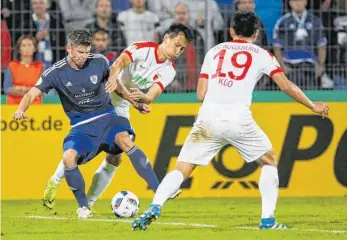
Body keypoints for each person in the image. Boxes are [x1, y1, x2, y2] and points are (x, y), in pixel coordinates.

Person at [132, 11, 329, 231]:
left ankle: (155, 205)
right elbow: (286, 86)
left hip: (208, 118)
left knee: (183, 167)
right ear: (255, 34)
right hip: (238, 119)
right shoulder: (263, 54)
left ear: (231, 31)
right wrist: (312, 105)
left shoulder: (214, 51)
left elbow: (200, 94)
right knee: (268, 162)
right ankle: (267, 220)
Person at [42, 24, 193, 210]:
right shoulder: (142, 48)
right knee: (80, 147)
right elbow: (118, 63)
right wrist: (114, 78)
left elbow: (151, 96)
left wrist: (141, 100)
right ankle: (54, 181)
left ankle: (88, 203)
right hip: (100, 98)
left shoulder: (169, 71)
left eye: (182, 48)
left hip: (121, 105)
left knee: (116, 156)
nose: (177, 51)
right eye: (176, 44)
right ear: (166, 39)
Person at [12, 29, 156, 219]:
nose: (83, 56)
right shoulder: (56, 72)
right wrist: (21, 109)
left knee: (125, 141)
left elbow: (117, 87)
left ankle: (159, 190)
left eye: (86, 51)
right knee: (69, 157)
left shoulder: (99, 61)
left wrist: (135, 102)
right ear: (69, 49)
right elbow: (31, 93)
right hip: (81, 127)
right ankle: (83, 207)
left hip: (108, 118)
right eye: (79, 52)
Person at [4, 35, 44, 104]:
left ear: (35, 48)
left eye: (29, 45)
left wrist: (21, 89)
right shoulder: (12, 66)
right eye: (24, 45)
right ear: (19, 49)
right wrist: (31, 90)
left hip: (35, 106)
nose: (27, 48)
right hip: (14, 106)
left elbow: (42, 90)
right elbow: (7, 89)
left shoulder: (40, 67)